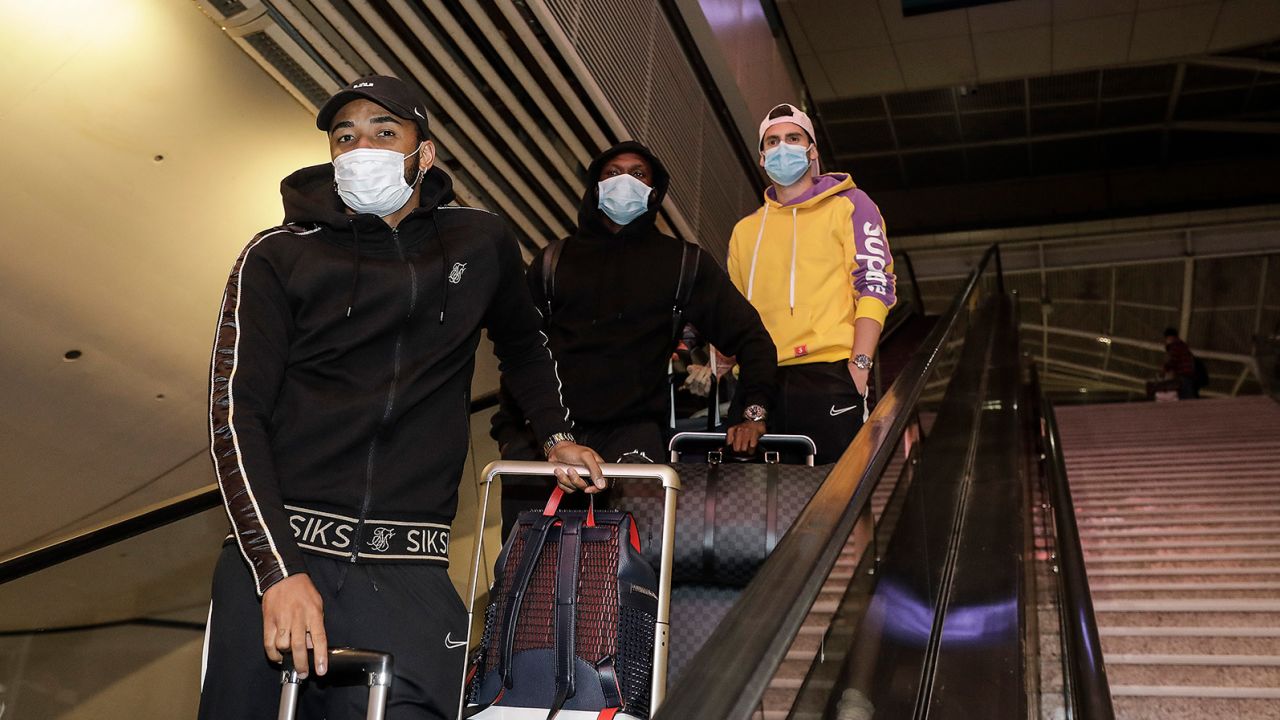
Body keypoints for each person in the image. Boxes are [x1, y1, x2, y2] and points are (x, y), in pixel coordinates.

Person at [199, 75, 605, 720]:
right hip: (285, 556)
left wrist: (556, 434)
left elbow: (525, 346)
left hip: (412, 566)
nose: (363, 147)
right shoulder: (276, 255)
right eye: (345, 136)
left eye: (385, 132)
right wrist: (276, 570)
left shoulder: (480, 240)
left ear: (426, 152)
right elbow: (235, 413)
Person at [521, 141, 778, 465]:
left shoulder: (683, 263)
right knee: (533, 519)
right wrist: (514, 435)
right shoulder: (552, 262)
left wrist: (752, 412)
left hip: (631, 436)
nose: (624, 181)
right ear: (596, 189)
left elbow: (753, 338)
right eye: (613, 173)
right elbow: (520, 350)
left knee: (639, 516)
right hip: (543, 435)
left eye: (637, 174)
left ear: (654, 191)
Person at [727, 103, 896, 465]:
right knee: (749, 509)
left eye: (793, 138)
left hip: (828, 373)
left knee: (835, 502)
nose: (782, 147)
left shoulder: (851, 204)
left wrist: (859, 369)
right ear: (761, 157)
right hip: (758, 385)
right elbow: (736, 313)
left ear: (812, 150)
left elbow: (875, 285)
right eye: (772, 142)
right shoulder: (745, 231)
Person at [1163, 327, 1199, 399]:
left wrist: (1165, 369)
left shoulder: (1175, 346)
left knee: (1184, 396)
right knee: (1188, 396)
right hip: (1189, 373)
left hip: (1182, 374)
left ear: (1170, 337)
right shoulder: (1182, 345)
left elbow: (1172, 361)